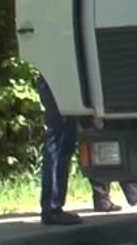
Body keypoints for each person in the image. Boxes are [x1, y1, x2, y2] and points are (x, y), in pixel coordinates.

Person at [36, 73, 108, 226]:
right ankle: (52, 208)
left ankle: (52, 206)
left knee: (62, 143)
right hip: (59, 83)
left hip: (55, 81)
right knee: (59, 144)